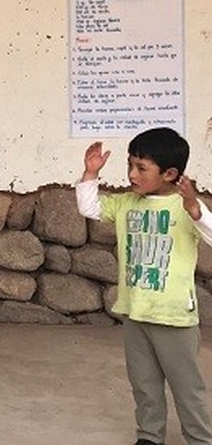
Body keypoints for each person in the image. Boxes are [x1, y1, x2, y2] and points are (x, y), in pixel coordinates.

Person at [77, 127, 212, 445]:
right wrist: (90, 173)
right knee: (144, 384)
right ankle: (149, 436)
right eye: (130, 165)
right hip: (135, 312)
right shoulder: (125, 203)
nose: (132, 175)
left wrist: (194, 207)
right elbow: (89, 208)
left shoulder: (186, 207)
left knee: (186, 388)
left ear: (170, 174)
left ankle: (199, 439)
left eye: (141, 168)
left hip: (174, 317)